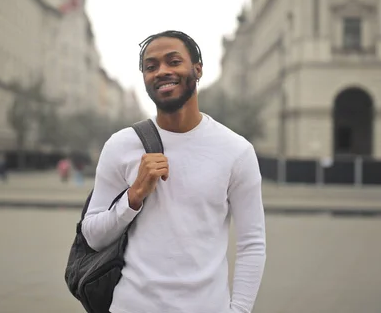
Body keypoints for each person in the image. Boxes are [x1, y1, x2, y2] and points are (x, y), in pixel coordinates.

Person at [81, 30, 266, 313]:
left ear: (197, 69)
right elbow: (92, 236)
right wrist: (133, 197)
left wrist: (239, 311)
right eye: (151, 67)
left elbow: (251, 244)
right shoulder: (121, 145)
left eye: (173, 61)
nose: (162, 72)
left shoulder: (236, 151)